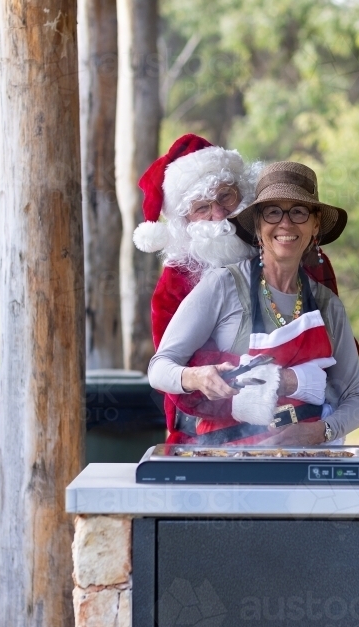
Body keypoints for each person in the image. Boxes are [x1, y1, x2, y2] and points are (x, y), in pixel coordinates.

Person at [134, 136, 346, 442]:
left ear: (245, 194)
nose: (219, 215)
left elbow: (341, 353)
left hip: (309, 428)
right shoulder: (177, 278)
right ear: (183, 220)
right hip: (214, 435)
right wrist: (278, 382)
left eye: (225, 197)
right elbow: (172, 369)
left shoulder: (305, 256)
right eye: (202, 207)